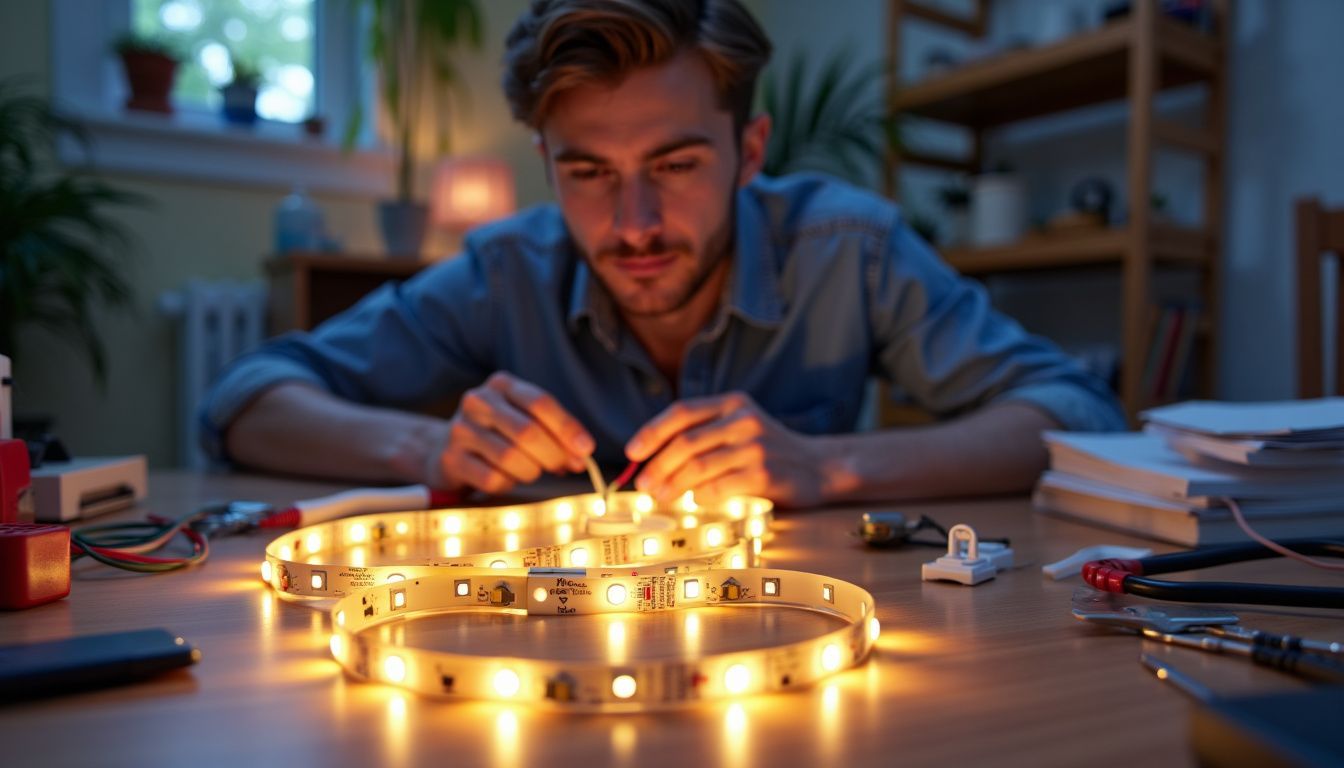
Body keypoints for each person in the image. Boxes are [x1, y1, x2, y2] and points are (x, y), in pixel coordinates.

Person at [203, 0, 1124, 508]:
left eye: (676, 164)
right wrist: (429, 444)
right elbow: (245, 403)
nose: (634, 222)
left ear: (750, 151)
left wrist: (828, 465)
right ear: (547, 166)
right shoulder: (506, 268)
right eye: (590, 172)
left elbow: (1077, 413)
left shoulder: (850, 248)